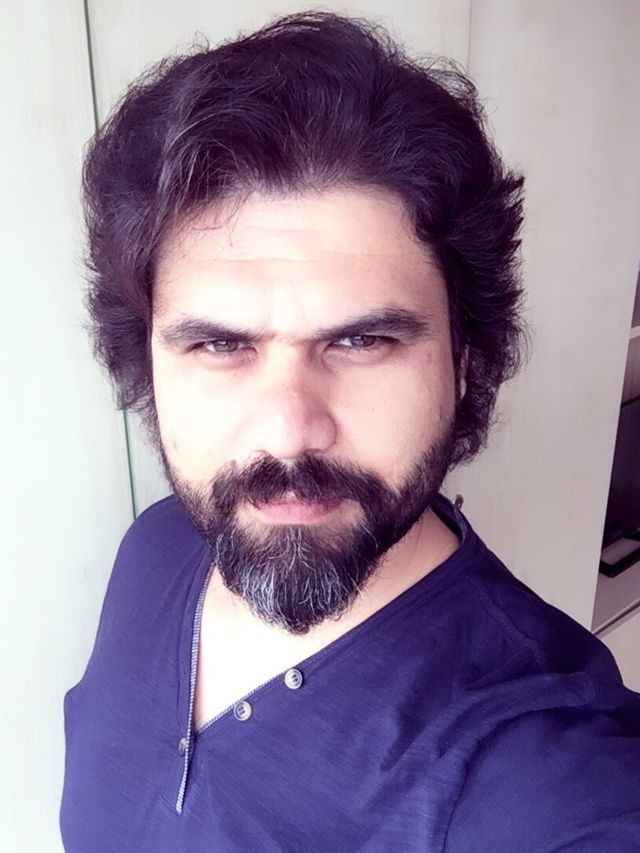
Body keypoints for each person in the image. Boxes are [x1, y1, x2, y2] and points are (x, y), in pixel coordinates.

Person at [59, 10, 640, 852]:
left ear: (465, 360)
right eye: (220, 345)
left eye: (362, 341)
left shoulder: (541, 771)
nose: (289, 430)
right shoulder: (155, 548)